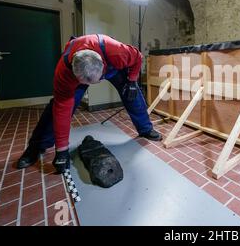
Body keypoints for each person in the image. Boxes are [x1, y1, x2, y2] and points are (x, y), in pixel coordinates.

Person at [16, 34, 162, 173]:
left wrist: (131, 80)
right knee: (56, 109)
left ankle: (145, 129)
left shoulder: (116, 52)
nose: (96, 85)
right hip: (82, 72)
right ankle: (36, 147)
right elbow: (62, 110)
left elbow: (137, 57)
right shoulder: (64, 73)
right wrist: (61, 150)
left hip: (113, 68)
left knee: (132, 94)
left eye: (97, 81)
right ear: (76, 75)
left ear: (102, 66)